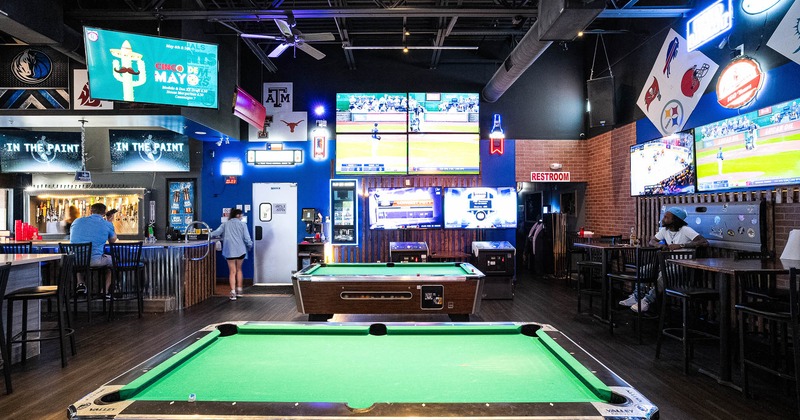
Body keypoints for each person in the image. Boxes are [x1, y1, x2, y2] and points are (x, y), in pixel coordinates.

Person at [619, 207, 709, 312]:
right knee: (643, 270)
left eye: (666, 217)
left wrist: (681, 245)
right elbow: (652, 241)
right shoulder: (664, 230)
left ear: (674, 220)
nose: (663, 219)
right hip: (670, 262)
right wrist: (660, 245)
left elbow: (704, 242)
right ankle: (636, 297)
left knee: (663, 274)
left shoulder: (686, 230)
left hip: (684, 265)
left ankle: (646, 301)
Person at [70, 203, 117, 296]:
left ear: (90, 211)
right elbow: (112, 240)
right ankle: (105, 291)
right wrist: (109, 222)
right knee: (113, 261)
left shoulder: (77, 221)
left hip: (74, 261)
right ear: (104, 213)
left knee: (80, 256)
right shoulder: (106, 224)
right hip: (94, 261)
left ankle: (81, 283)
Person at [210, 208, 253, 301]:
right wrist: (249, 246)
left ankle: (233, 292)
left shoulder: (225, 224)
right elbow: (247, 238)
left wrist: (206, 234)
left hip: (229, 251)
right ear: (238, 215)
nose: (242, 217)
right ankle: (240, 290)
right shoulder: (243, 225)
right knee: (239, 270)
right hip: (241, 250)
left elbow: (216, 233)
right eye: (241, 215)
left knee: (232, 271)